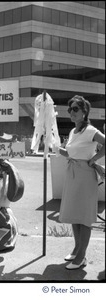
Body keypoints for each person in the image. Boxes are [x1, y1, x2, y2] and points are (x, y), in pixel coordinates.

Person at [56, 95, 105, 270]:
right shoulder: (72, 132)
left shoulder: (91, 130)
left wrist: (94, 160)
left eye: (75, 109)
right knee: (74, 214)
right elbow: (71, 154)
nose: (71, 112)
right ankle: (77, 250)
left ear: (85, 112)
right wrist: (53, 147)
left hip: (85, 176)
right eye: (70, 109)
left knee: (84, 217)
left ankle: (82, 257)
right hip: (72, 174)